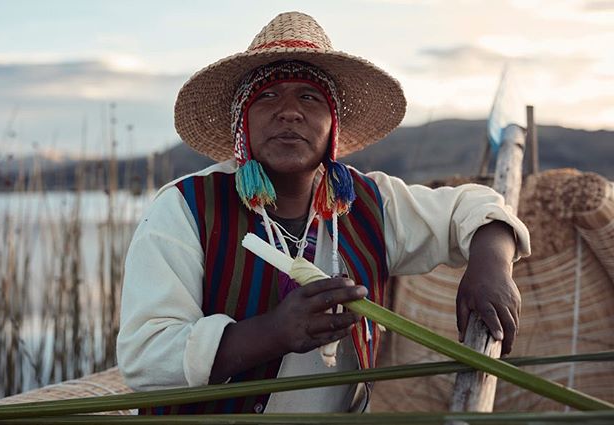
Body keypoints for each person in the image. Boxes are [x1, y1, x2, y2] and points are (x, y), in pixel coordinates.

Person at [117, 11, 530, 415]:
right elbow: (146, 358)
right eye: (268, 95)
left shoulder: (371, 203)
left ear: (333, 125)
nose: (289, 111)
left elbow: (474, 208)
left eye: (310, 97)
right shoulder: (186, 208)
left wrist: (491, 265)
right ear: (242, 122)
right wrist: (274, 332)